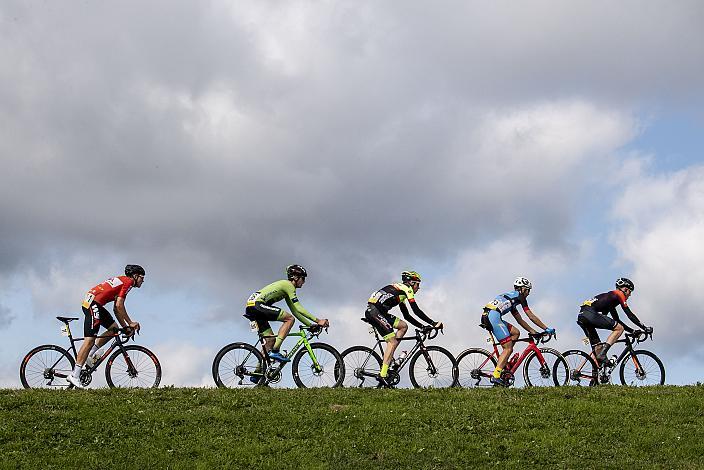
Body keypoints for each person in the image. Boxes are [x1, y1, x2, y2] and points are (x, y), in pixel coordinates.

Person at [67, 264, 144, 388]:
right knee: (90, 340)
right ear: (135, 276)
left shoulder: (123, 280)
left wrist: (124, 327)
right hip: (93, 304)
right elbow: (119, 306)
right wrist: (130, 323)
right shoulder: (128, 282)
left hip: (93, 302)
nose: (142, 281)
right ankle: (74, 375)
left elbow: (116, 309)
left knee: (114, 329)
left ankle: (89, 355)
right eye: (141, 277)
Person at [365, 270, 443, 387]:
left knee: (403, 326)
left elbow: (407, 316)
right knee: (392, 342)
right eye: (418, 284)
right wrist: (433, 323)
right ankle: (383, 374)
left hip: (378, 312)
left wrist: (422, 326)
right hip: (375, 312)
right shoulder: (407, 289)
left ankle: (389, 358)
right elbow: (416, 310)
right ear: (411, 283)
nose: (418, 288)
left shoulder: (400, 292)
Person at [245, 265, 329, 363]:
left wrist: (310, 325)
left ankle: (258, 373)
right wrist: (319, 321)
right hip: (257, 305)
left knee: (270, 341)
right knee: (289, 319)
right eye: (303, 278)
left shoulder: (287, 289)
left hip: (252, 308)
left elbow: (295, 311)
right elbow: (299, 308)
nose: (304, 281)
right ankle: (275, 351)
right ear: (295, 277)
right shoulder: (289, 286)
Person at [481, 277, 555, 387]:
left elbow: (520, 320)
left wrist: (533, 331)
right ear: (522, 289)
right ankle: (496, 376)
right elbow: (531, 316)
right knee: (508, 348)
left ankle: (504, 361)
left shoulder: (511, 299)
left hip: (489, 315)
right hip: (493, 317)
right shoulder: (520, 297)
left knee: (516, 332)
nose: (528, 293)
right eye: (528, 290)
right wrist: (546, 328)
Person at [577, 277, 652, 364]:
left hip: (583, 316)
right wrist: (644, 327)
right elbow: (630, 315)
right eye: (630, 292)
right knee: (619, 329)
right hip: (589, 313)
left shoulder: (610, 299)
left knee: (598, 350)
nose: (630, 295)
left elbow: (617, 320)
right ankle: (603, 353)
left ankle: (591, 375)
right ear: (625, 289)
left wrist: (633, 331)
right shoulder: (619, 293)